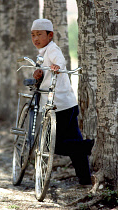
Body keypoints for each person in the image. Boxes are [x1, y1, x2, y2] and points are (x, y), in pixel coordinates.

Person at [31, 19, 94, 186]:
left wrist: (57, 66)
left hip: (60, 106)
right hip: (67, 104)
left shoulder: (52, 49)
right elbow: (45, 73)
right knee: (74, 141)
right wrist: (39, 74)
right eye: (33, 35)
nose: (35, 38)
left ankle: (89, 146)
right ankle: (85, 179)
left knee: (56, 145)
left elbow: (60, 61)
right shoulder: (42, 52)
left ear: (50, 35)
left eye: (39, 34)